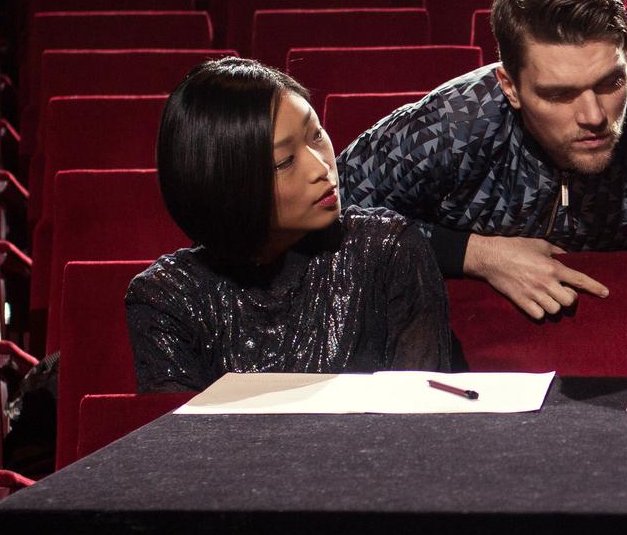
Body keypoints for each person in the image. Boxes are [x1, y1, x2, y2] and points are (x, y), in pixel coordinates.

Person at [337, 0, 627, 319]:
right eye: (558, 94)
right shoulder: (451, 125)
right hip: (465, 347)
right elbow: (324, 220)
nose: (594, 116)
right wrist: (473, 253)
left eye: (611, 82)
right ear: (510, 87)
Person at [127, 58, 455, 393]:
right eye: (284, 161)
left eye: (316, 135)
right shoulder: (167, 298)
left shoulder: (388, 250)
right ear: (225, 183)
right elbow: (179, 427)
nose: (321, 168)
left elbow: (420, 414)